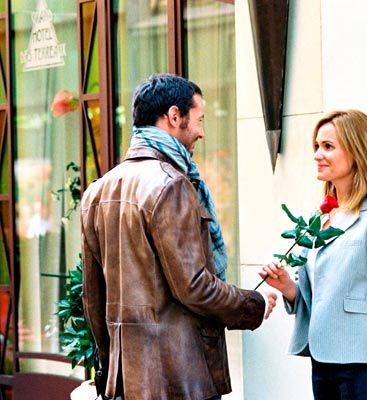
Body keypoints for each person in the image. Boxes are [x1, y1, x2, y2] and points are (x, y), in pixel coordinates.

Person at [82, 73, 277, 400]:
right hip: (179, 380)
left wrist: (111, 368)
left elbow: (93, 298)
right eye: (199, 119)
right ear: (174, 116)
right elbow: (195, 287)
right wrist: (252, 304)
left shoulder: (97, 191)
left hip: (126, 382)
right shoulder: (170, 184)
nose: (201, 132)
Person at [259, 110, 367, 400]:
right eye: (316, 146)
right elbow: (316, 298)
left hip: (363, 367)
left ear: (357, 152)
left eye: (328, 146)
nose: (317, 154)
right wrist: (287, 287)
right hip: (322, 363)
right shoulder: (320, 218)